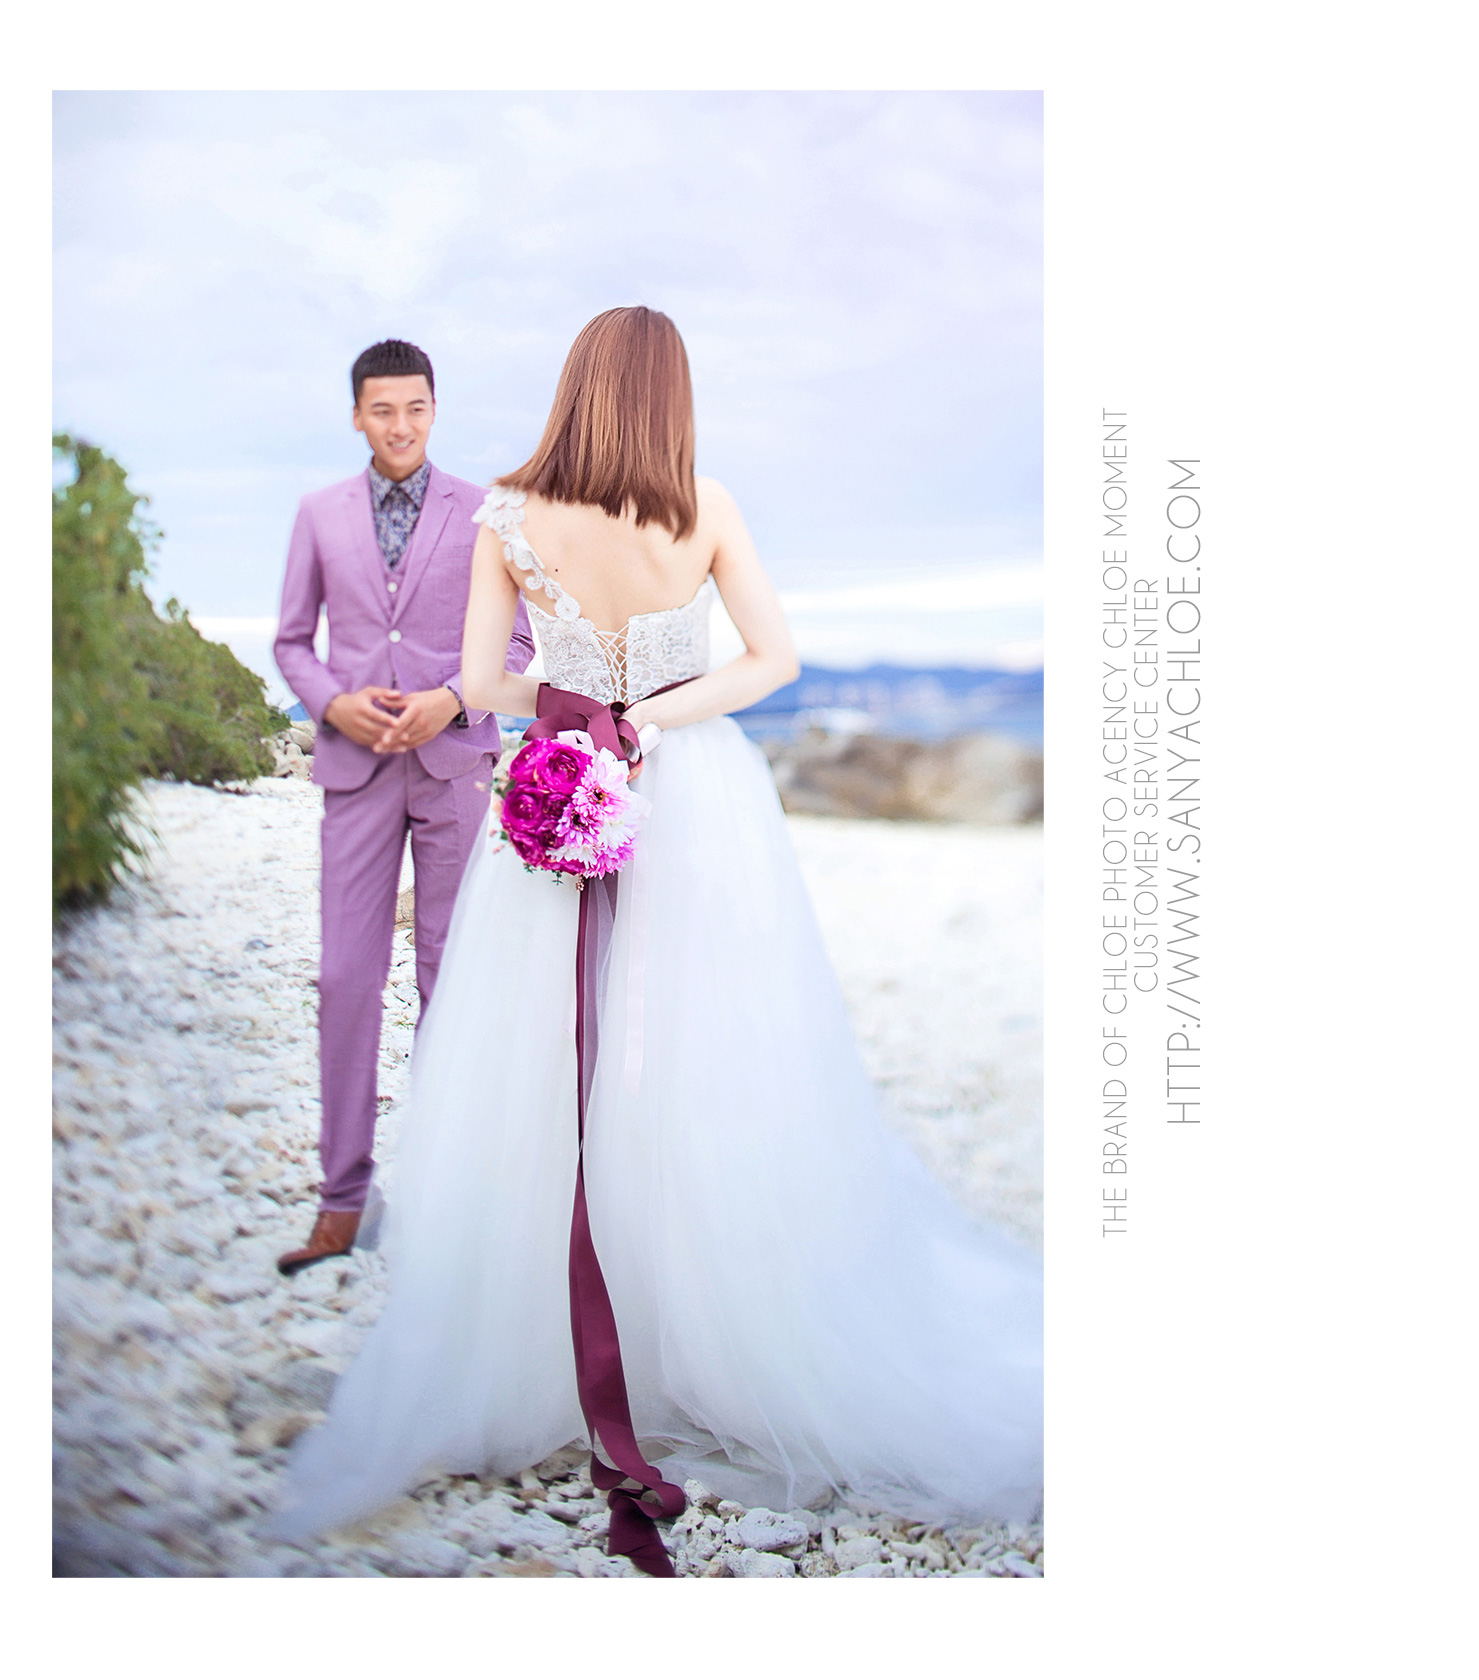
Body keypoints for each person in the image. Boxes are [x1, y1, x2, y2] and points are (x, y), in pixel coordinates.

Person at [268, 308, 1041, 1570]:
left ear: (577, 386)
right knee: (703, 1050)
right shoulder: (705, 505)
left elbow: (488, 683)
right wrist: (653, 718)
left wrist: (576, 715)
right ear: (669, 394)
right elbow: (773, 660)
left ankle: (535, 1347)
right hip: (695, 798)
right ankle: (705, 1322)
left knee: (543, 1066)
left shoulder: (506, 515)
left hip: (556, 778)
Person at [270, 340, 535, 1276]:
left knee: (449, 981)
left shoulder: (485, 512)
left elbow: (519, 647)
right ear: (357, 415)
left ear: (434, 410)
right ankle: (342, 1200)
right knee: (347, 978)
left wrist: (452, 699)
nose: (400, 426)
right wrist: (332, 703)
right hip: (355, 771)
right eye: (382, 410)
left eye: (416, 408)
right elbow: (292, 643)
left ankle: (443, 1198)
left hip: (454, 766)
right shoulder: (318, 515)